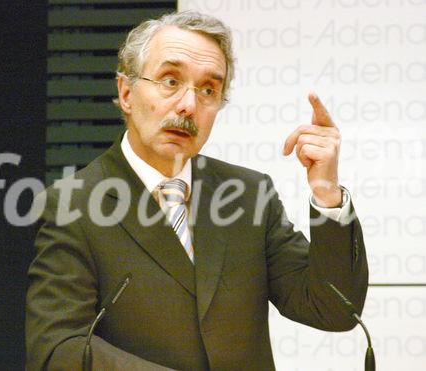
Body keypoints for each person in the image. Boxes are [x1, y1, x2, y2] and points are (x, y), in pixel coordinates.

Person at [26, 11, 368, 371]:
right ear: (126, 93)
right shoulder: (73, 205)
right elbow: (57, 349)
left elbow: (333, 309)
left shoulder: (247, 196)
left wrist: (327, 193)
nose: (189, 105)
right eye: (170, 81)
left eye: (208, 90)